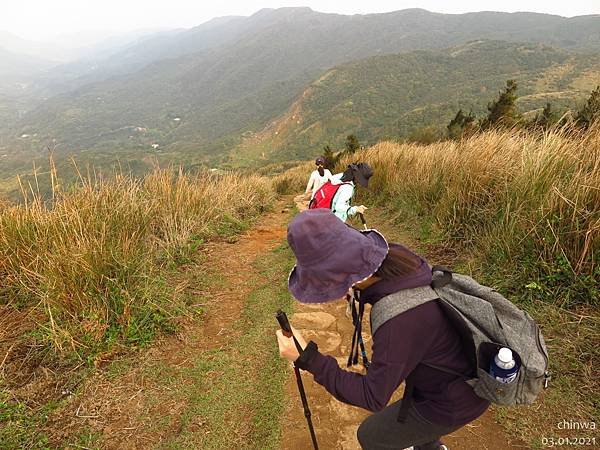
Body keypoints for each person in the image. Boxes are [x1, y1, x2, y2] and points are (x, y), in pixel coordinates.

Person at [276, 209, 490, 450]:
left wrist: (307, 358)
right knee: (409, 431)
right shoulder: (399, 259)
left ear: (348, 279)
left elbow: (373, 396)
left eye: (324, 283)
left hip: (452, 401)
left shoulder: (398, 320)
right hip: (453, 374)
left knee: (372, 436)